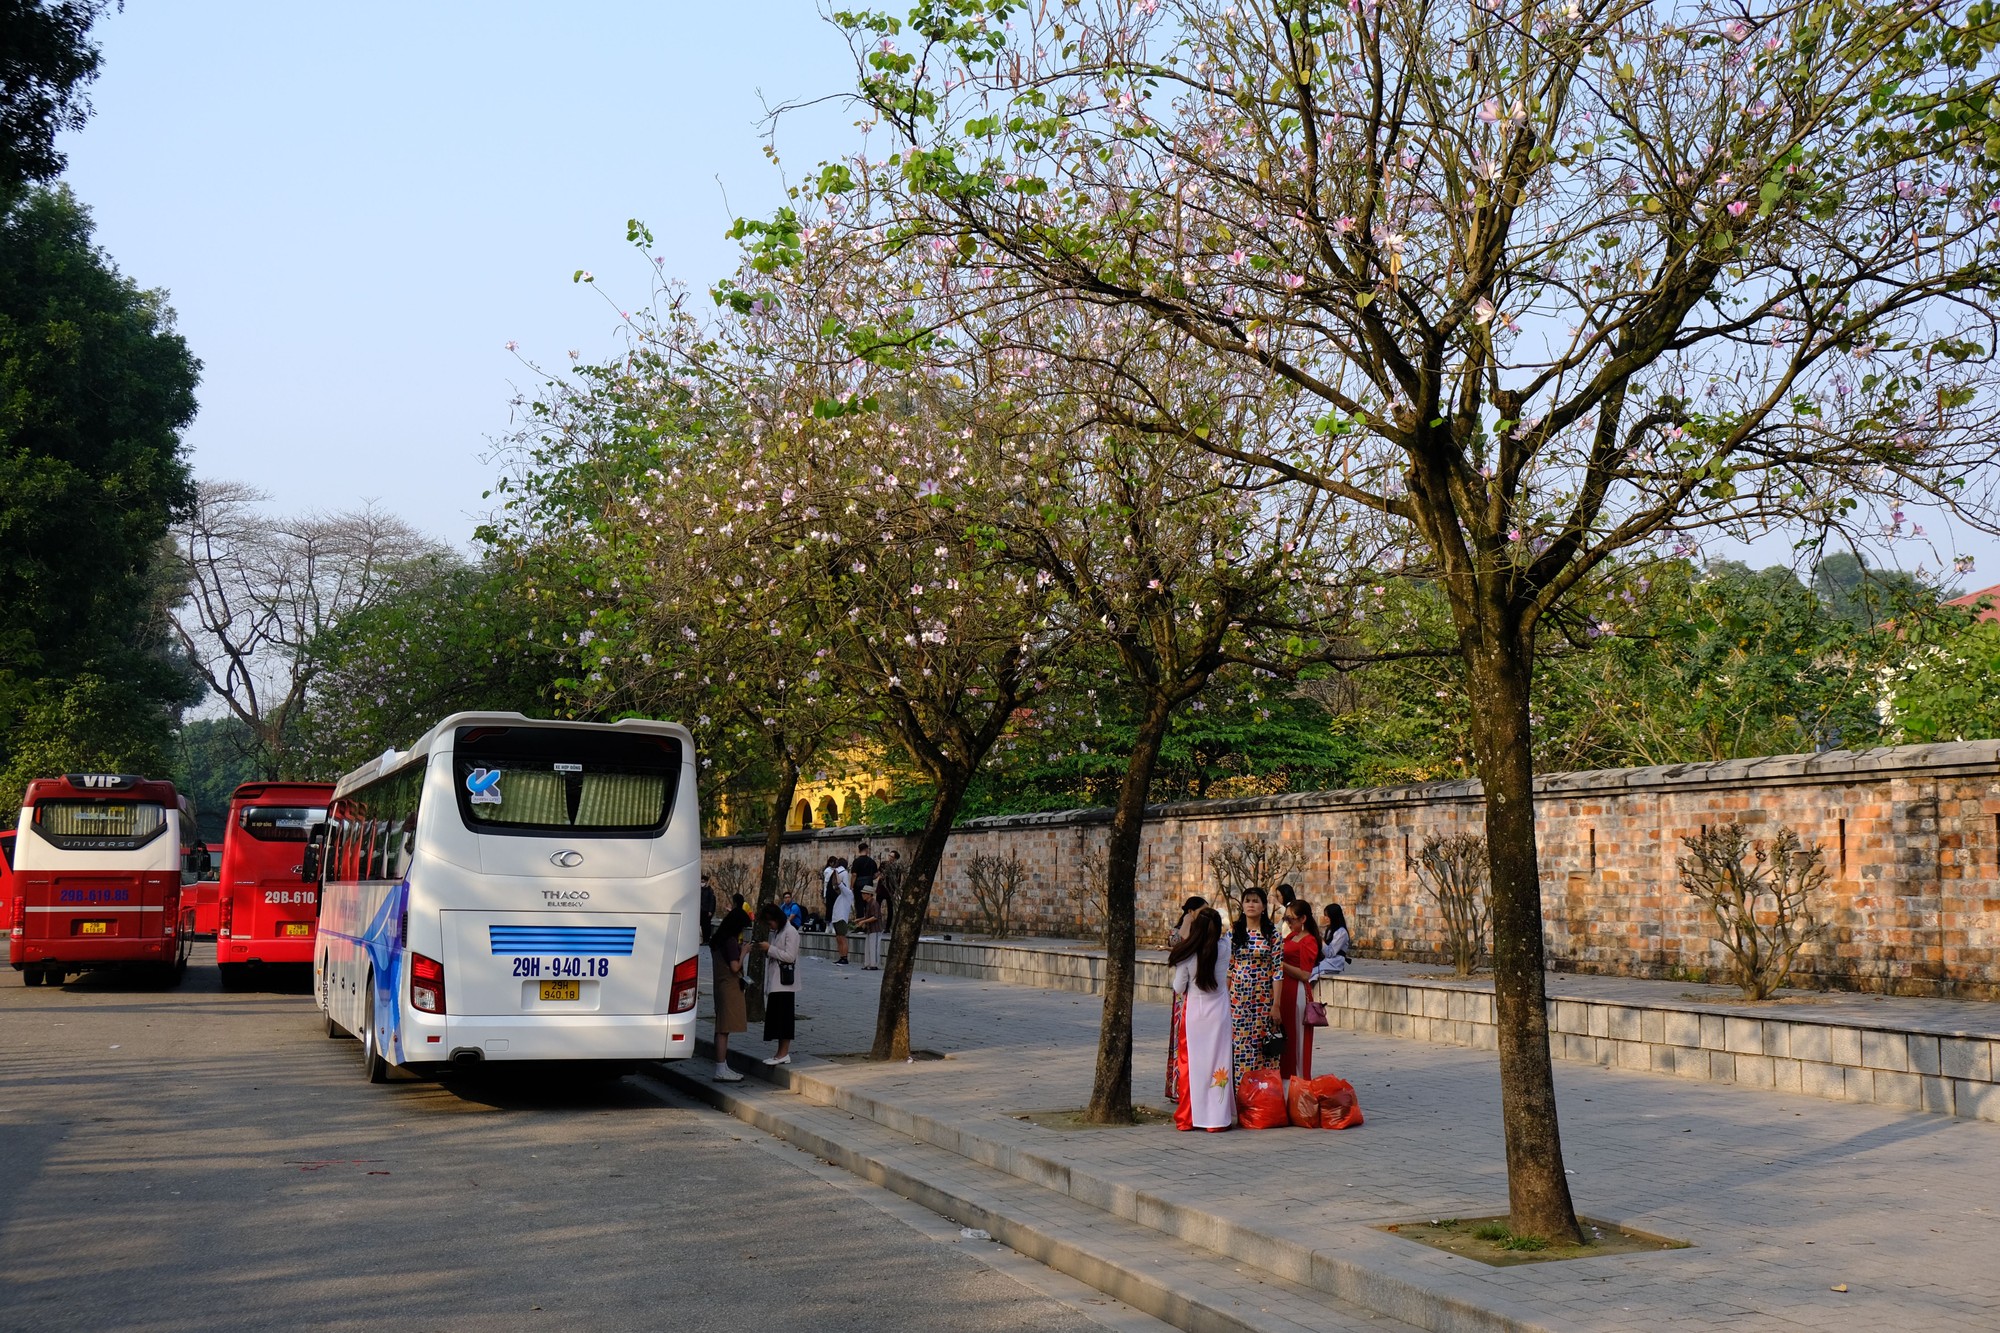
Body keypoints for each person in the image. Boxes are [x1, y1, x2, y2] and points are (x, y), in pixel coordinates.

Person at [1168, 906, 1233, 1132]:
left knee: (1192, 1066)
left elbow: (1178, 987)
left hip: (1195, 1014)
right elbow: (1225, 937)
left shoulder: (1187, 954)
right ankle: (1217, 1118)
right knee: (1219, 1063)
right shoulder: (1225, 948)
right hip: (1220, 1014)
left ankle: (1190, 1117)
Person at [1227, 887, 1281, 1084]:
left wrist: (1276, 1005)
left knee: (1263, 1046)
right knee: (1241, 1046)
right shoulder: (1234, 933)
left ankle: (1265, 1097)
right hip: (1238, 999)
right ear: (1242, 905)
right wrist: (1225, 999)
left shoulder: (1272, 934)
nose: (1251, 904)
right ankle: (1242, 1094)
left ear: (1264, 906)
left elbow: (1278, 971)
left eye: (1256, 901)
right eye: (1247, 900)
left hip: (1264, 999)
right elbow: (1229, 968)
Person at [1165, 895, 1207, 1102]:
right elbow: (1179, 944)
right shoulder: (1177, 930)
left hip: (1202, 991)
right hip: (1183, 991)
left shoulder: (1207, 931)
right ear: (1191, 911)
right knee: (1180, 1038)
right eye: (1201, 910)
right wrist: (1188, 923)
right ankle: (1177, 1087)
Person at [1277, 897, 1323, 1082]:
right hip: (1284, 990)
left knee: (1297, 1040)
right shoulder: (1290, 936)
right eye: (1286, 919)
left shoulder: (1309, 941)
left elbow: (1305, 974)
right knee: (1286, 1039)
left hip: (1297, 993)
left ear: (1303, 919)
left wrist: (1281, 965)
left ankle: (1299, 1083)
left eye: (1291, 919)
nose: (1288, 923)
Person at [709, 896, 751, 1082]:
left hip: (719, 984)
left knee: (721, 1027)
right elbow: (735, 967)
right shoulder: (731, 942)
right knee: (724, 1028)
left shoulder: (717, 939)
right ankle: (720, 1068)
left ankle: (722, 1065)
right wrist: (743, 952)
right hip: (729, 985)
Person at [753, 902, 800, 1065]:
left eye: (771, 922)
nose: (770, 925)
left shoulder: (791, 932)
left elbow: (790, 956)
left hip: (784, 983)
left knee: (784, 1018)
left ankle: (784, 1053)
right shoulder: (778, 932)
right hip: (775, 981)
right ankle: (779, 1052)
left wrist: (770, 949)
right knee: (777, 1018)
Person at [855, 884, 886, 970]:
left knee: (874, 947)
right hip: (870, 929)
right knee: (868, 947)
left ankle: (874, 964)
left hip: (875, 929)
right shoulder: (868, 904)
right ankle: (868, 963)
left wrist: (863, 921)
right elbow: (868, 916)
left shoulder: (874, 903)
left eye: (864, 894)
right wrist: (860, 919)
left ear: (869, 894)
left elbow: (875, 917)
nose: (863, 895)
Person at [829, 864, 855, 964]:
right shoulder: (839, 897)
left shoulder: (848, 893)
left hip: (841, 919)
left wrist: (836, 871)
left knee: (842, 938)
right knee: (838, 939)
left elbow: (839, 883)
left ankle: (845, 957)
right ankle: (841, 956)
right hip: (836, 919)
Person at [698, 873, 715, 946]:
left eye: (703, 881)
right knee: (701, 926)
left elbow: (712, 901)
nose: (702, 883)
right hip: (700, 910)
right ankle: (703, 940)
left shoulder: (709, 890)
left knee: (706, 926)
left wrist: (710, 911)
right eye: (701, 881)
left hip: (706, 910)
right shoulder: (699, 889)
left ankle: (706, 940)